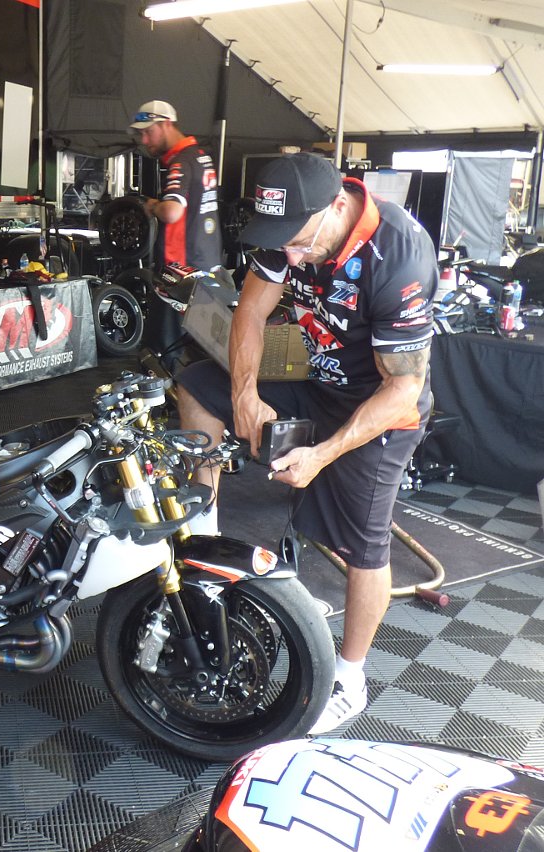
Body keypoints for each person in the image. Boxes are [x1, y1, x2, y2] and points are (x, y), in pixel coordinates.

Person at [176, 152, 437, 734]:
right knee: (196, 386)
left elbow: (402, 388)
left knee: (365, 545)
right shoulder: (285, 231)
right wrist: (245, 394)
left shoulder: (399, 255)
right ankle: (204, 545)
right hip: (319, 384)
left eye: (298, 243)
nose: (289, 257)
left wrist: (323, 454)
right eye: (281, 244)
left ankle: (350, 678)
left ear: (337, 207)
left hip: (382, 408)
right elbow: (250, 311)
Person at [130, 100, 224, 367]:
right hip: (208, 266)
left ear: (167, 124)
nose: (144, 140)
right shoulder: (201, 157)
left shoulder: (180, 162)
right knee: (199, 349)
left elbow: (172, 211)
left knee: (162, 352)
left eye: (148, 132)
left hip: (179, 273)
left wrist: (152, 206)